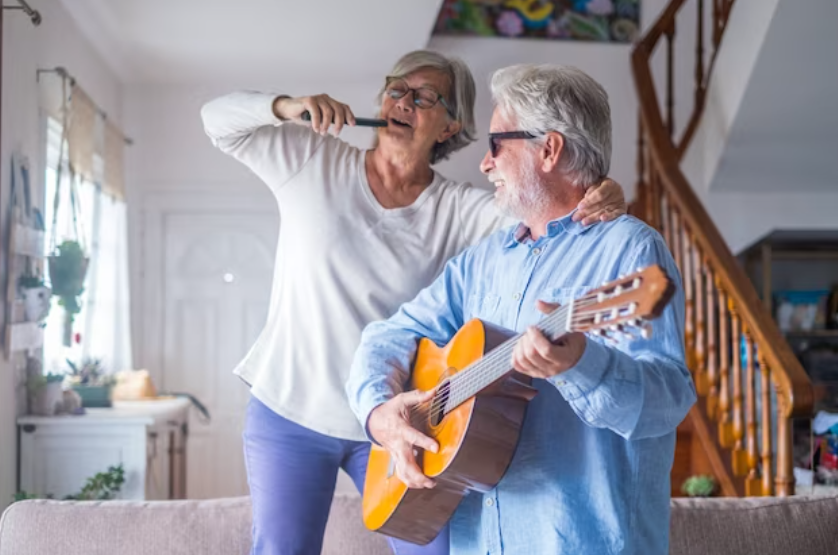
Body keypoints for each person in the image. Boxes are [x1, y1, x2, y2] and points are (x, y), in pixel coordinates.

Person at [201, 50, 626, 555]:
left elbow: (545, 209)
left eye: (425, 97)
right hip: (290, 409)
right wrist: (287, 106)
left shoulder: (460, 209)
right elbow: (216, 120)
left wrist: (601, 190)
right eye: (396, 88)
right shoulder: (311, 159)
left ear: (450, 126)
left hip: (400, 414)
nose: (403, 101)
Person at [348, 63, 697, 555]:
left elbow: (668, 401)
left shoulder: (630, 250)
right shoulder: (481, 262)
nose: (484, 164)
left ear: (549, 150)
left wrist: (582, 364)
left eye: (496, 146)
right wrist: (379, 412)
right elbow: (387, 335)